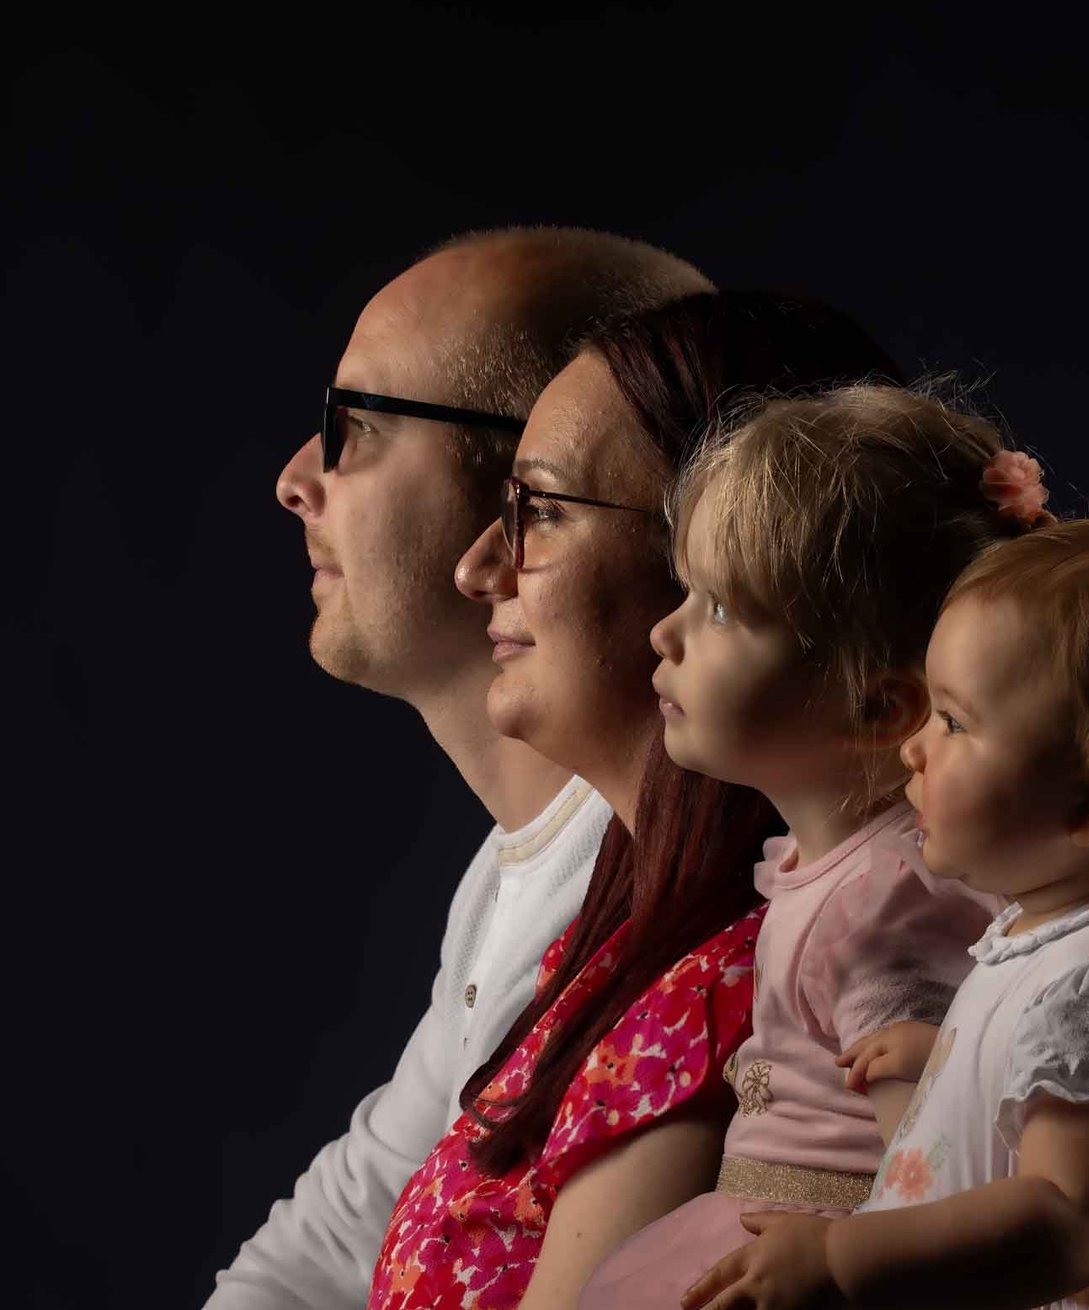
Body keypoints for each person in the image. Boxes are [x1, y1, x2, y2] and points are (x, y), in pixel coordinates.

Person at [367, 290, 907, 1310]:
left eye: (543, 508)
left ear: (732, 562)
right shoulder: (619, 950)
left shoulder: (750, 994)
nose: (479, 564)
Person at [211, 227, 714, 1310]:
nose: (299, 477)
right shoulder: (512, 873)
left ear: (538, 479)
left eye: (360, 426)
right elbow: (338, 1232)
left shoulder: (707, 919)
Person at [684, 511, 1089, 1310]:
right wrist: (951, 1058)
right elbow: (1069, 1099)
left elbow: (1075, 1221)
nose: (913, 746)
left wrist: (841, 1255)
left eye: (953, 719)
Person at [577, 385, 1054, 1309]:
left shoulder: (886, 904)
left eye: (719, 610)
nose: (664, 631)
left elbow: (931, 1162)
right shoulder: (846, 874)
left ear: (878, 706)